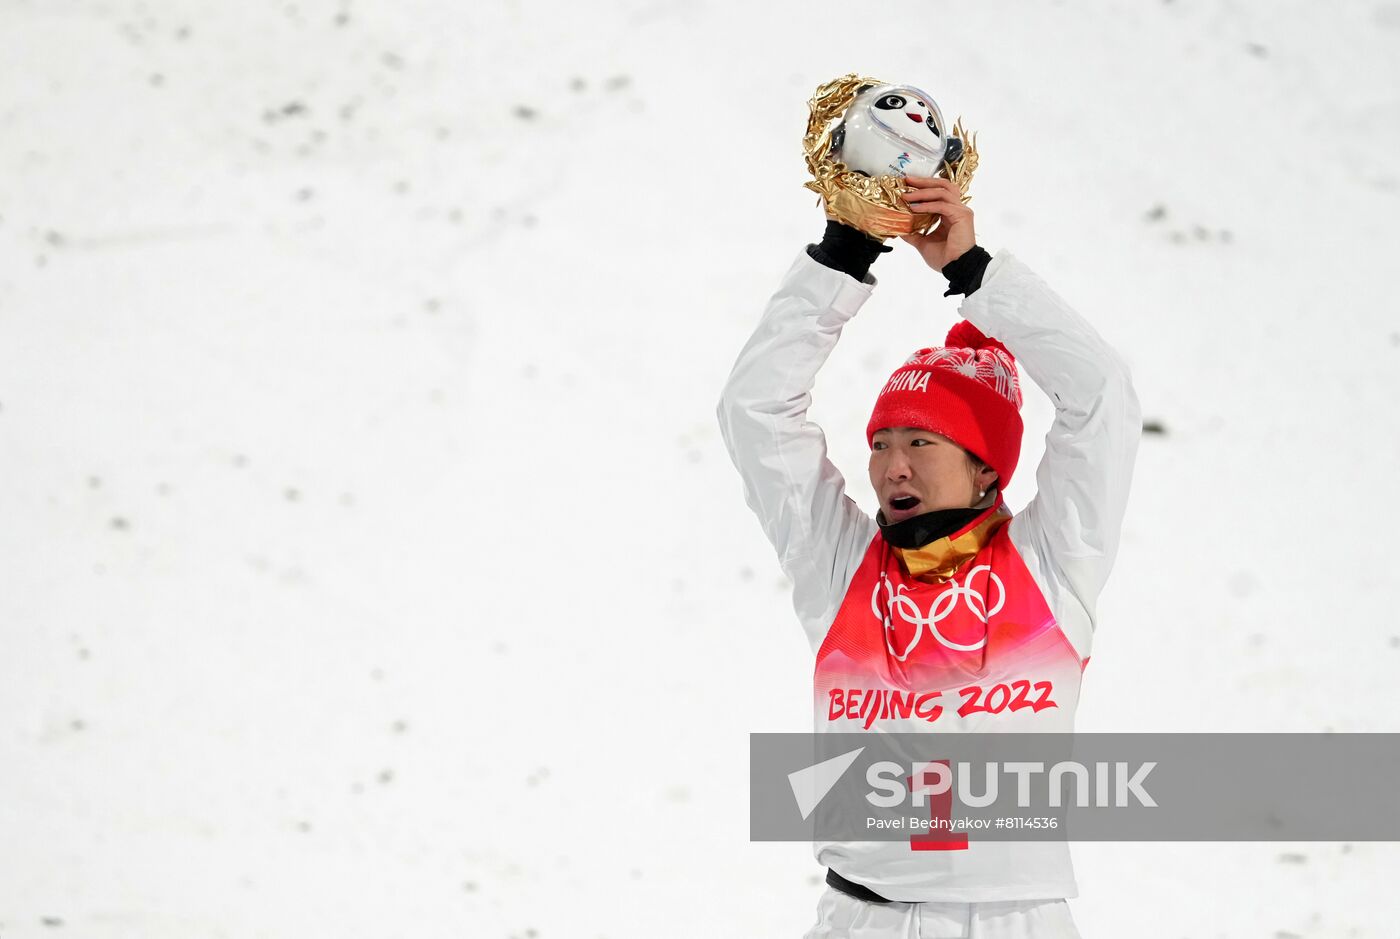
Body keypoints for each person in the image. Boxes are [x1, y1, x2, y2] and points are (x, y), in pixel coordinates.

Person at [716, 177, 1142, 938]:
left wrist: (974, 271)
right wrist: (843, 255)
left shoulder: (1051, 560)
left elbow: (1100, 394)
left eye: (920, 441)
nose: (891, 465)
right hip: (857, 915)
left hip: (1012, 921)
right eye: (880, 443)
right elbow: (754, 412)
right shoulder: (841, 564)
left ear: (986, 467)